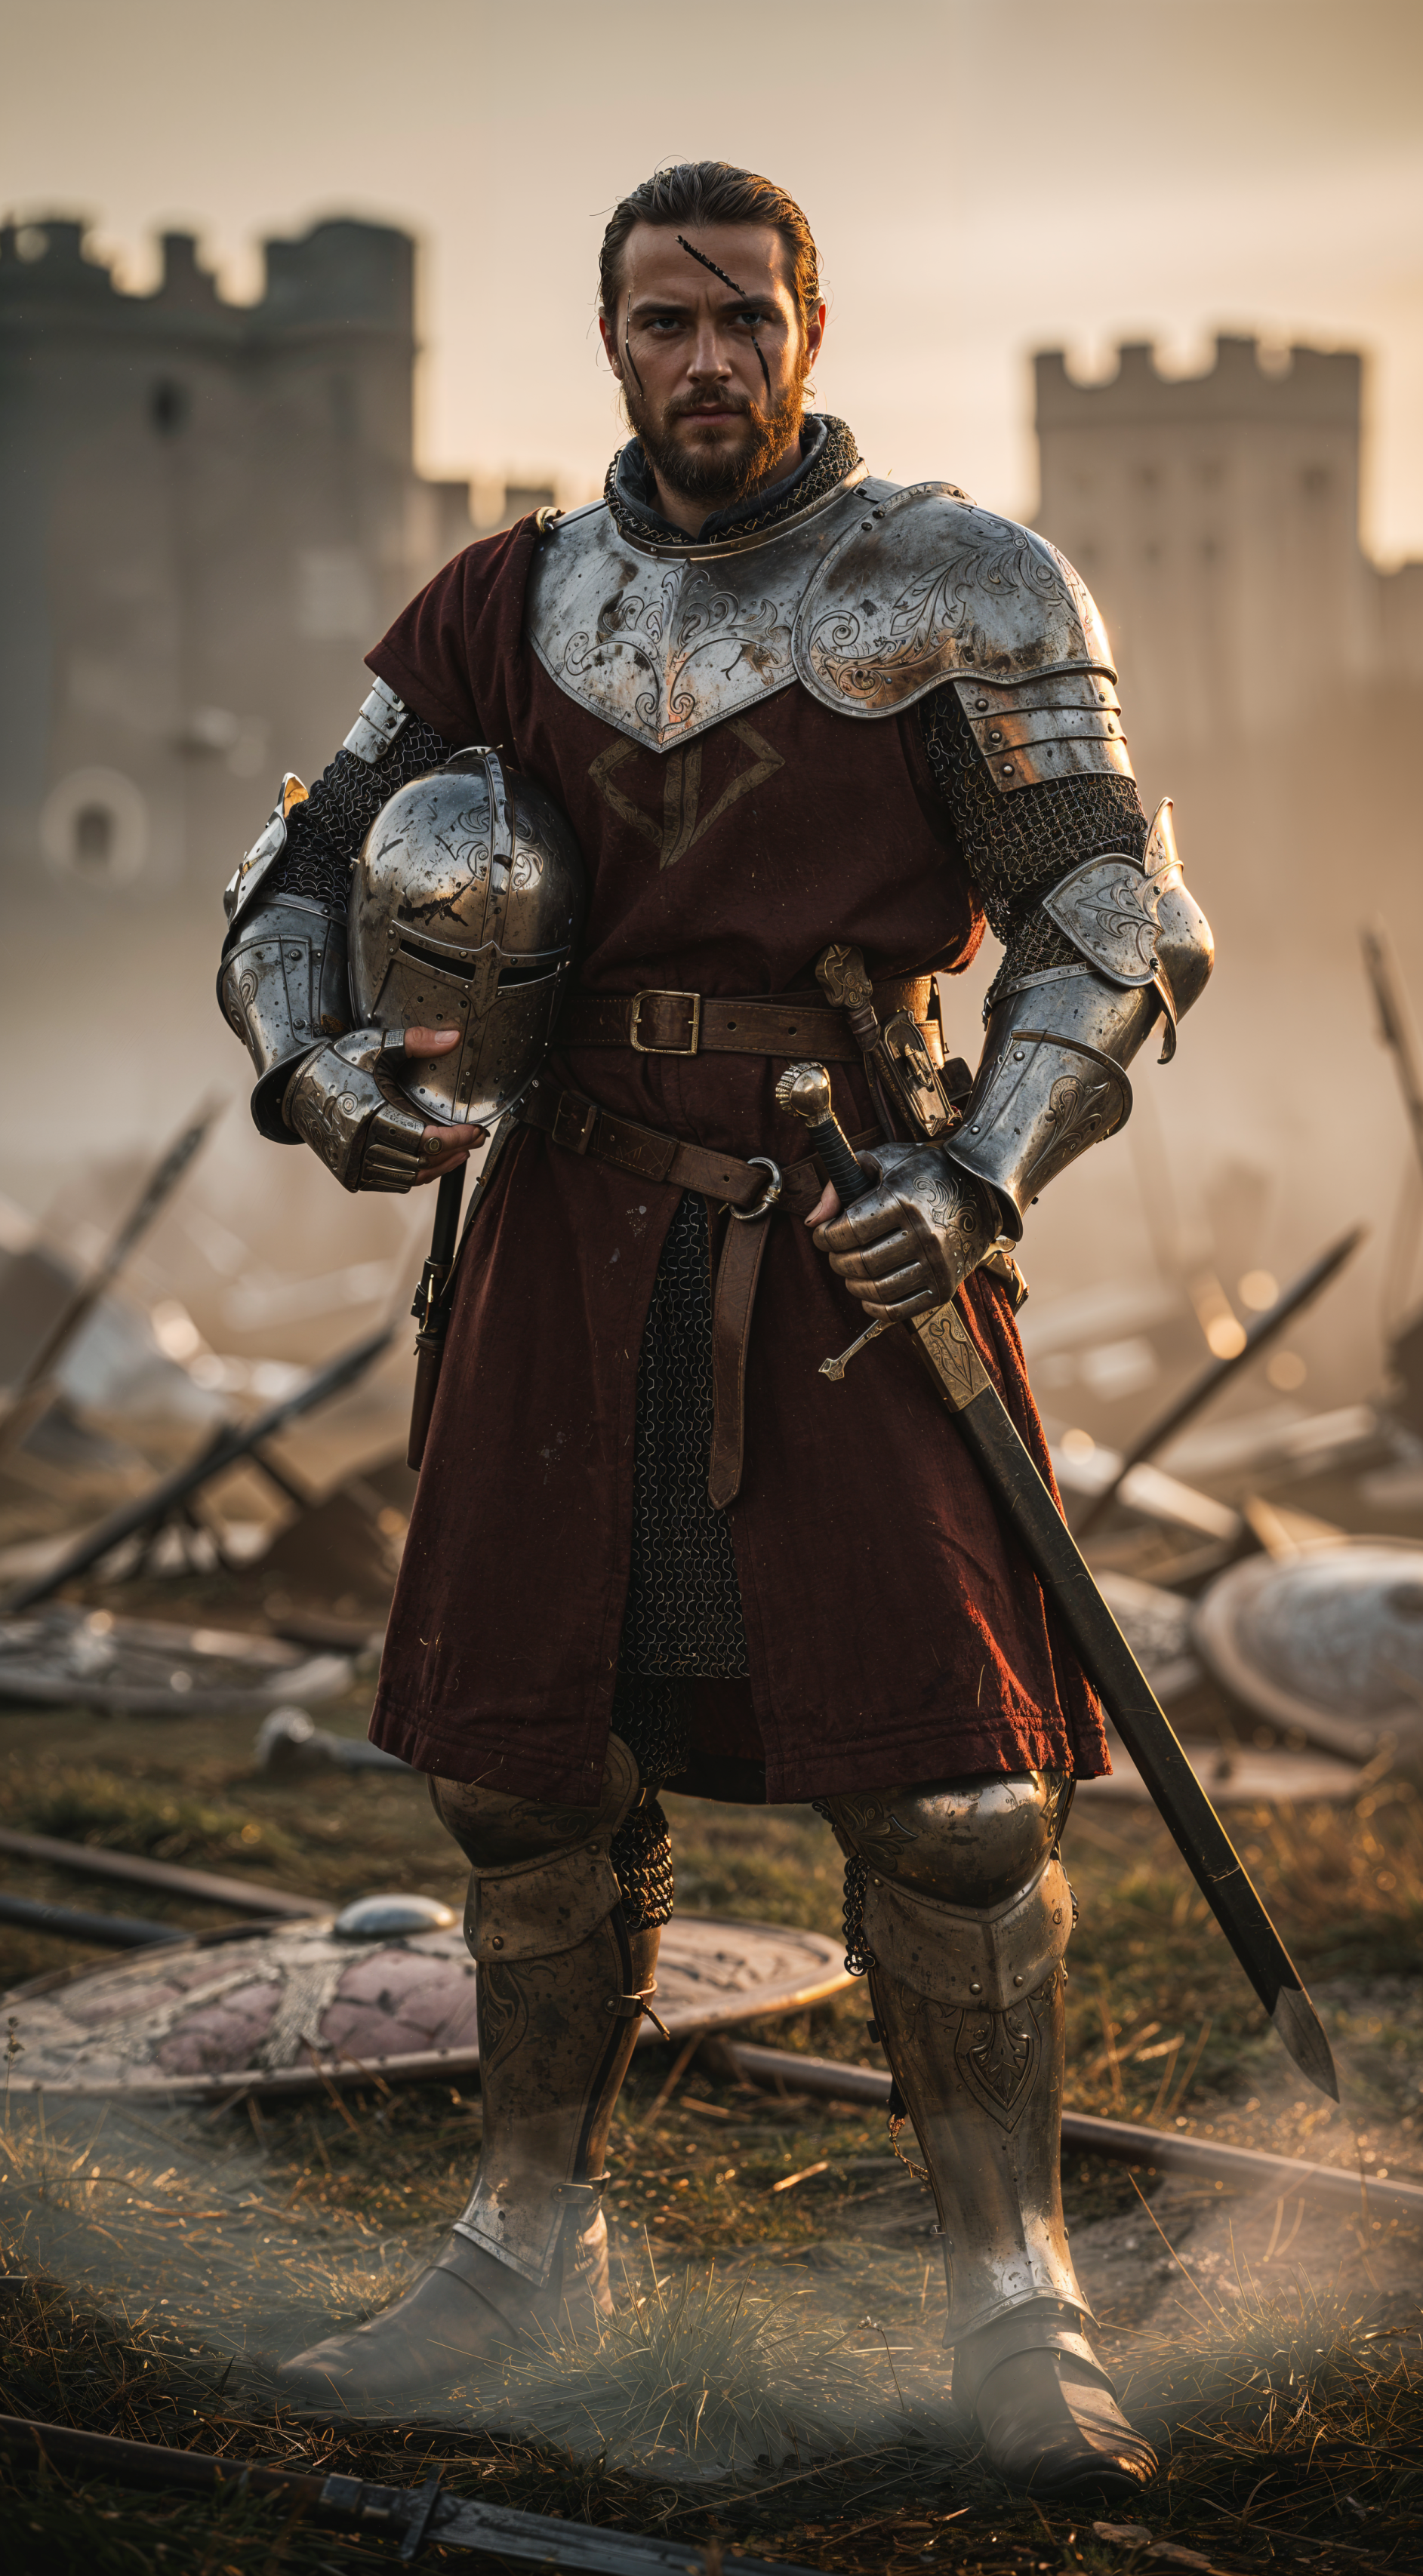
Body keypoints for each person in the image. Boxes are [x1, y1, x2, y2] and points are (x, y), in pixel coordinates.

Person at [217, 161, 1212, 2498]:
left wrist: (981, 1169)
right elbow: (298, 869)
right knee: (519, 1771)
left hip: (848, 1232)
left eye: (744, 316)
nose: (705, 358)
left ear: (810, 329)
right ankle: (522, 2245)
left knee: (953, 1801)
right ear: (612, 340)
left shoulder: (961, 588)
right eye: (665, 319)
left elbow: (1113, 910)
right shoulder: (504, 605)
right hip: (565, 1235)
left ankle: (1014, 2296)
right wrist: (328, 1068)